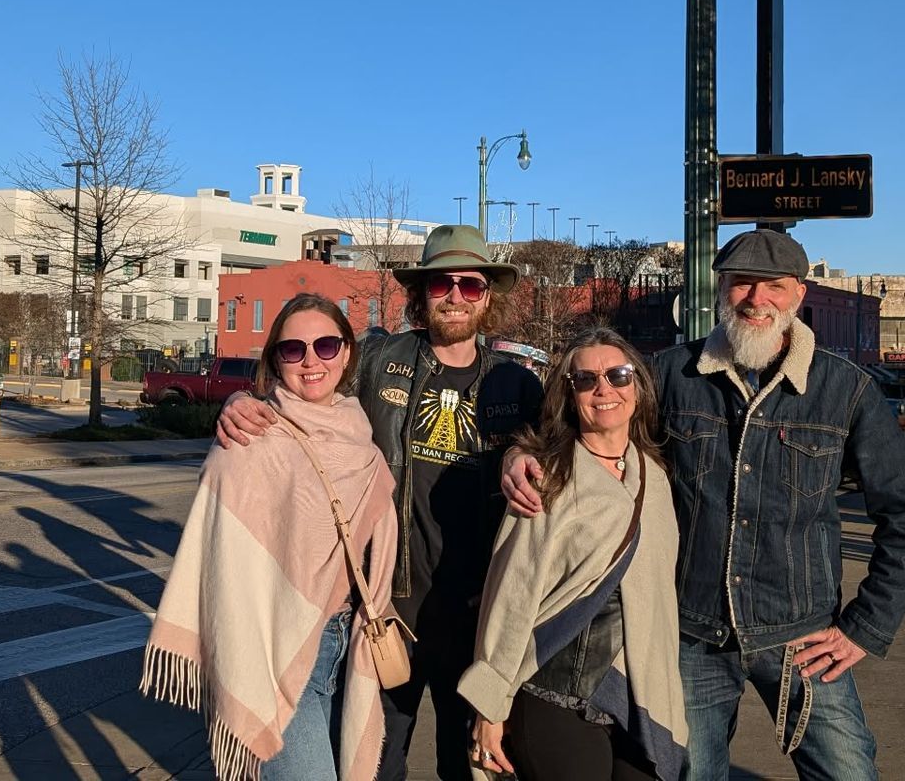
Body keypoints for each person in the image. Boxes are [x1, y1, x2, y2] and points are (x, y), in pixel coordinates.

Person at [503, 229, 905, 781]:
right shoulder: (671, 376)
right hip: (692, 635)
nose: (757, 300)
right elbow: (585, 421)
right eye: (742, 284)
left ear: (799, 294)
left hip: (801, 637)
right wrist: (520, 454)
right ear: (720, 290)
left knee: (849, 772)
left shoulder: (844, 388)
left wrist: (865, 627)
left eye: (773, 286)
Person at [218, 225, 545, 781]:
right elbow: (305, 389)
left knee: (471, 768)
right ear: (422, 292)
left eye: (471, 285)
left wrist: (523, 449)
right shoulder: (378, 358)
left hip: (475, 617)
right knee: (371, 765)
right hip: (386, 612)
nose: (457, 297)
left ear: (488, 295)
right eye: (443, 284)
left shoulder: (517, 382)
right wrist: (238, 402)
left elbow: (561, 452)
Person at [143, 293, 397, 781]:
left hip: (350, 643)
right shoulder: (248, 442)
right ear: (275, 361)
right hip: (275, 647)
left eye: (325, 345)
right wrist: (239, 402)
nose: (310, 361)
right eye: (292, 349)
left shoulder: (360, 433)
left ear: (346, 352)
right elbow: (220, 567)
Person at [459, 327, 688, 781]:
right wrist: (490, 703)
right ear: (570, 394)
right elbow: (512, 595)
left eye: (618, 375)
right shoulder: (546, 475)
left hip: (641, 696)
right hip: (553, 693)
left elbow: (661, 600)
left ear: (638, 387)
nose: (604, 389)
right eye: (585, 380)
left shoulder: (656, 477)